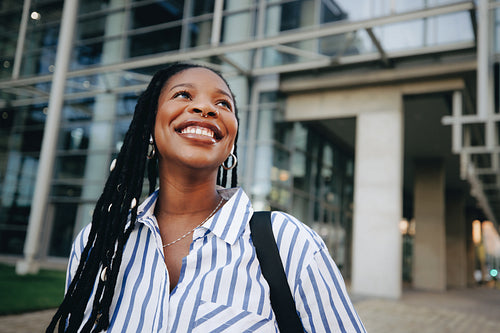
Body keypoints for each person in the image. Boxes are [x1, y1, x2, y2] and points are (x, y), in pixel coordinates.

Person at [47, 63, 366, 333]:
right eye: (183, 95)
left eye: (223, 104)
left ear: (230, 145)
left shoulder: (290, 243)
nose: (206, 108)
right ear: (150, 125)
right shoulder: (99, 243)